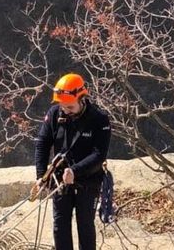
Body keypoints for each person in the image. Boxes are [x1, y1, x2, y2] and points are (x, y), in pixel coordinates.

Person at [34, 73, 111, 250]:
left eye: (70, 107)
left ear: (82, 99)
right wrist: (41, 175)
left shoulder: (99, 120)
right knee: (60, 226)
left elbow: (99, 155)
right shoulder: (55, 114)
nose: (66, 111)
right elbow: (43, 143)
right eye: (63, 106)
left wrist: (75, 171)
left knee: (85, 226)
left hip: (88, 180)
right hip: (60, 179)